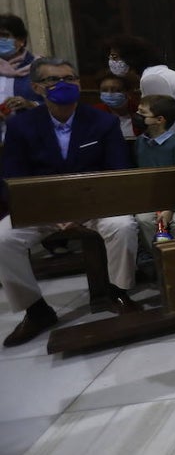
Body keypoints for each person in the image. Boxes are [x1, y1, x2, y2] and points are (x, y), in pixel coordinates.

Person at [0, 58, 140, 347]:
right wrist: (51, 211)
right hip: (41, 209)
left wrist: (82, 211)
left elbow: (118, 171)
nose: (63, 85)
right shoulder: (22, 126)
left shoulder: (102, 121)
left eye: (70, 78)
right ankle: (36, 309)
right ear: (37, 87)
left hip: (95, 205)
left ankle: (118, 291)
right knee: (3, 239)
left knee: (123, 226)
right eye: (53, 80)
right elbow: (12, 179)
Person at [107, 35, 175, 135]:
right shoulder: (154, 74)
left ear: (131, 58)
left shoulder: (151, 79)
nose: (111, 62)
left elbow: (168, 120)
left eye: (115, 57)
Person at [134, 94, 175, 257]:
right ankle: (158, 257)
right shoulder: (140, 142)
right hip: (150, 198)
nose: (137, 116)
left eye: (142, 113)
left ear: (159, 120)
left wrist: (169, 208)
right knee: (143, 220)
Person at [0, 14, 41, 142]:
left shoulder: (41, 67)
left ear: (21, 40)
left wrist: (30, 104)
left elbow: (60, 105)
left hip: (32, 141)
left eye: (4, 35)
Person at [94, 71, 139, 138]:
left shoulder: (140, 113)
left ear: (128, 92)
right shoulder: (94, 114)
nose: (109, 94)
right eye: (104, 90)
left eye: (116, 90)